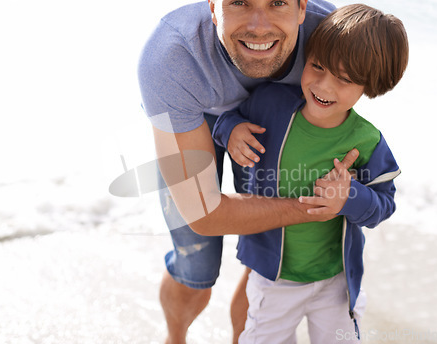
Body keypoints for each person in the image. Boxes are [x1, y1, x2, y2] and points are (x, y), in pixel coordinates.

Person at [137, 0, 366, 343]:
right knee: (194, 269)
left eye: (277, 3)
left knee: (266, 263)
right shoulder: (171, 56)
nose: (259, 26)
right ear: (214, 6)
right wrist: (314, 207)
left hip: (272, 122)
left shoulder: (331, 35)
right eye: (240, 2)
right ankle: (174, 338)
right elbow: (205, 215)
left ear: (302, 8)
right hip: (193, 117)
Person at [212, 4, 409, 343]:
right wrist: (230, 130)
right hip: (274, 278)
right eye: (317, 66)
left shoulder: (367, 141)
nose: (324, 85)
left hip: (335, 280)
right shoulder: (270, 103)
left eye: (344, 80)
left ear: (370, 85)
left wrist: (350, 197)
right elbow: (224, 119)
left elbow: (384, 204)